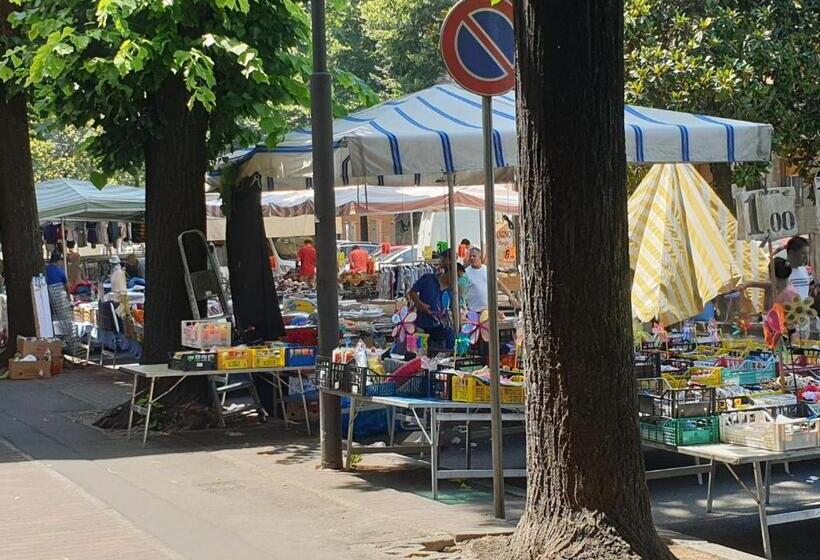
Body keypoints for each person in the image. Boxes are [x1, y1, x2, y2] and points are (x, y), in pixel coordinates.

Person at [408, 263, 464, 350]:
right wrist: (420, 304)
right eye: (457, 276)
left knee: (441, 351)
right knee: (421, 352)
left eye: (460, 278)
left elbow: (455, 310)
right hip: (423, 326)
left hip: (440, 330)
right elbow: (412, 292)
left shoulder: (452, 291)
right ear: (450, 273)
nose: (458, 280)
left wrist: (460, 330)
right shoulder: (428, 279)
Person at [462, 246, 519, 311]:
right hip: (474, 311)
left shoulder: (487, 270)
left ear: (480, 257)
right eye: (470, 256)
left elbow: (499, 285)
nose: (471, 258)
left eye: (474, 256)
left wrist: (510, 296)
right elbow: (461, 292)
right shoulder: (466, 273)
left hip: (489, 311)